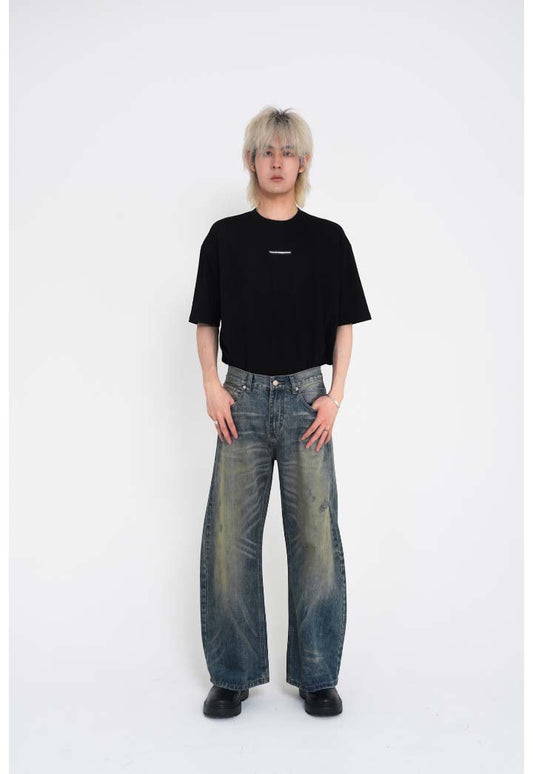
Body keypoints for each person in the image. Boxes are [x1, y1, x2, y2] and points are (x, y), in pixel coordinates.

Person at [188, 106, 371, 718]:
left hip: (305, 402)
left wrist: (334, 396)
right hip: (239, 400)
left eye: (287, 152)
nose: (276, 161)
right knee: (230, 539)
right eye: (266, 151)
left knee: (315, 538)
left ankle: (317, 675)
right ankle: (232, 675)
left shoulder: (329, 239)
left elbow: (345, 324)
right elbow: (206, 320)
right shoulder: (224, 237)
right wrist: (212, 386)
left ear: (303, 163)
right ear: (251, 161)